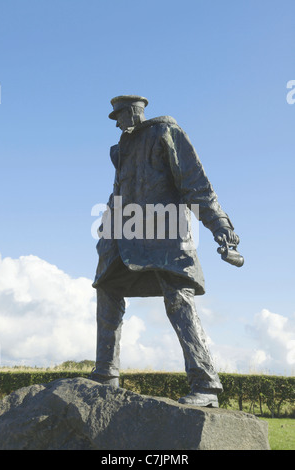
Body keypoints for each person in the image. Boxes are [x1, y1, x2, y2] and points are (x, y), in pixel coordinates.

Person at [89, 95, 241, 407]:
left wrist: (221, 227)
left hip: (166, 235)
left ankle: (206, 385)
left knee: (179, 301)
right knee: (106, 289)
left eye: (118, 116)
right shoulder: (123, 148)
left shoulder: (166, 133)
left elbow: (196, 185)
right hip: (124, 236)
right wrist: (106, 229)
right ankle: (106, 374)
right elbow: (119, 191)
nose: (116, 122)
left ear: (133, 112)